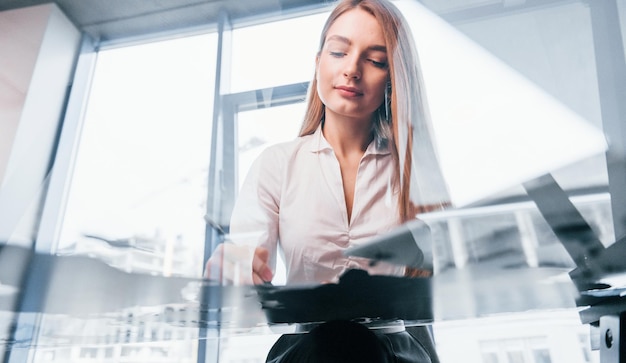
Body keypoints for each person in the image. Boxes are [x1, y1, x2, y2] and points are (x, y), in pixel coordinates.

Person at [206, 0, 450, 361]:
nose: (351, 70)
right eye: (338, 51)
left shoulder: (413, 171)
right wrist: (236, 271)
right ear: (318, 61)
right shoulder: (276, 164)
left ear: (393, 78)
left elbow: (451, 277)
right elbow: (245, 266)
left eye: (376, 60)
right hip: (306, 352)